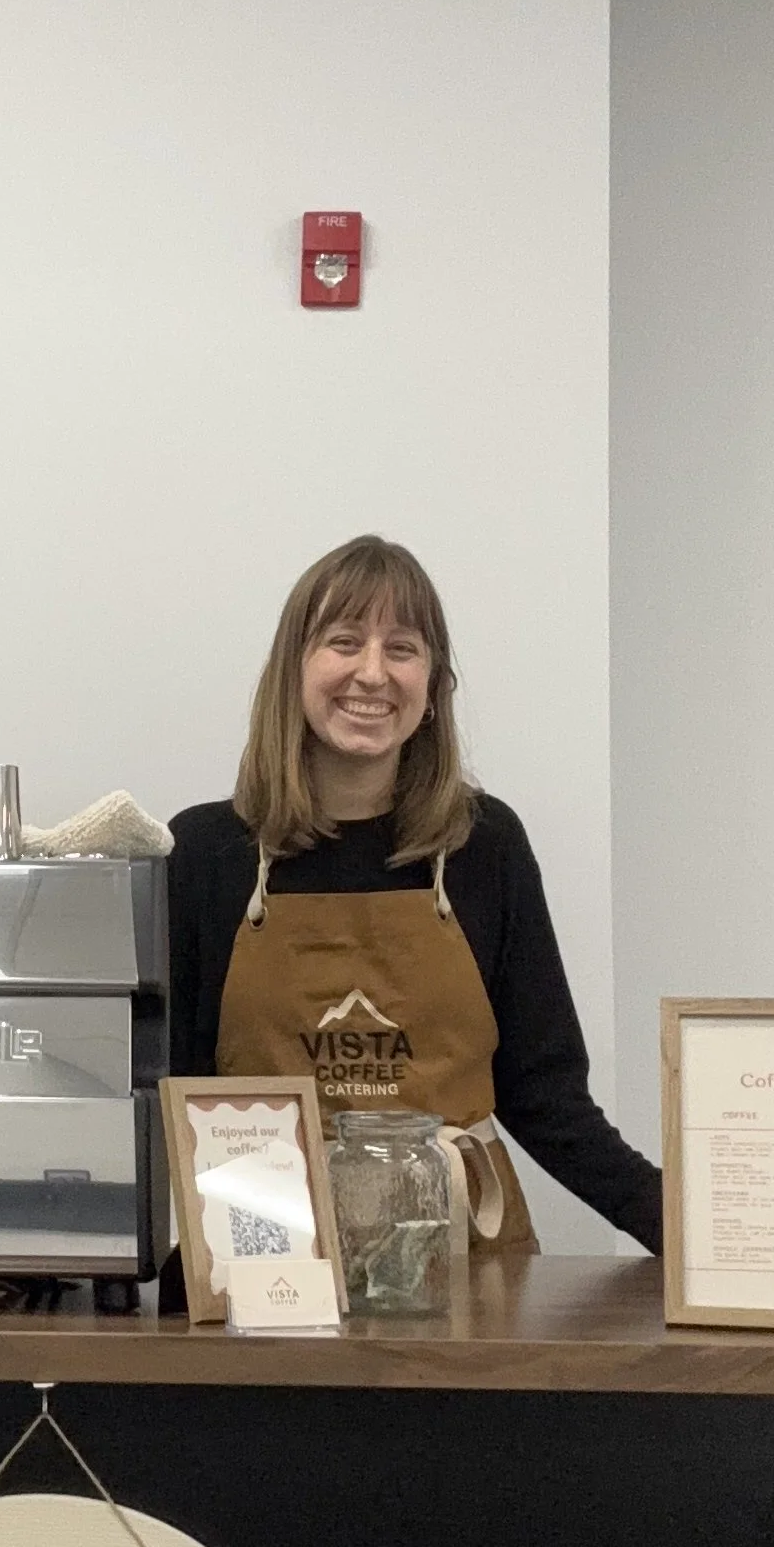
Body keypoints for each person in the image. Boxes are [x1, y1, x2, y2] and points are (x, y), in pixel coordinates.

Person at [167, 535, 662, 1253]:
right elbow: (164, 1093)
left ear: (433, 686)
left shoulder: (484, 845)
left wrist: (690, 1234)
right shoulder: (207, 853)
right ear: (292, 672)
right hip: (267, 1264)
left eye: (402, 649)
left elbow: (545, 1097)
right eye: (343, 641)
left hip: (463, 1266)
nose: (372, 673)